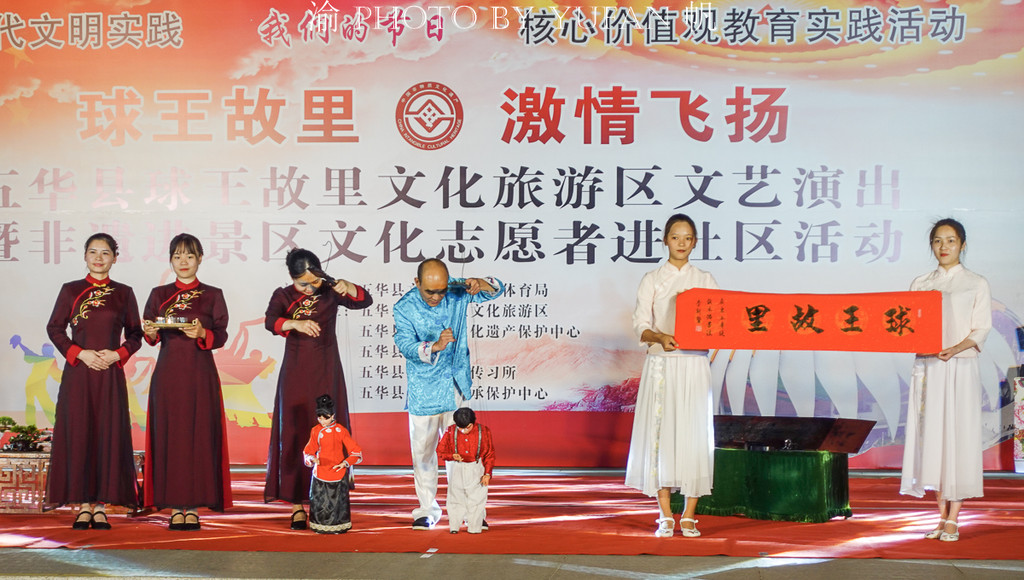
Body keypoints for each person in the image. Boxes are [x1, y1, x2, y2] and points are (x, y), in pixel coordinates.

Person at [264, 248, 372, 530]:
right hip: (295, 373)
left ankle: (328, 500)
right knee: (297, 431)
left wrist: (349, 287)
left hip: (326, 369)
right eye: (303, 284)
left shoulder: (329, 291)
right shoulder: (283, 295)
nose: (310, 288)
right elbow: (270, 321)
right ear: (292, 278)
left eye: (314, 281)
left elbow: (364, 300)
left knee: (330, 433)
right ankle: (297, 505)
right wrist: (294, 323)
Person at [393, 258, 504, 530]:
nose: (436, 296)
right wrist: (435, 346)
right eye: (430, 291)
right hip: (424, 391)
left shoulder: (456, 291)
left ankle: (468, 511)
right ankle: (426, 510)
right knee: (423, 454)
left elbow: (496, 290)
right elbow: (405, 345)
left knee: (463, 453)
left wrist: (481, 283)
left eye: (441, 290)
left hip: (456, 386)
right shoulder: (404, 307)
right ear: (417, 282)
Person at [624, 213, 717, 538]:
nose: (681, 243)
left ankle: (689, 514)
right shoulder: (652, 278)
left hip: (694, 365)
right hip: (662, 364)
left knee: (694, 435)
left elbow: (718, 322)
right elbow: (640, 324)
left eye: (687, 237)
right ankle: (664, 513)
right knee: (660, 434)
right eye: (675, 237)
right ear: (665, 240)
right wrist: (659, 337)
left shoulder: (705, 279)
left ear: (695, 242)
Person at [901, 218, 991, 542]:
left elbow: (981, 328)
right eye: (938, 241)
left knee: (958, 437)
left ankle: (954, 517)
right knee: (933, 438)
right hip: (929, 367)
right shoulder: (921, 283)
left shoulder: (975, 283)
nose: (944, 247)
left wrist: (954, 348)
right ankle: (941, 516)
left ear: (962, 245)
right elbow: (907, 324)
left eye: (951, 240)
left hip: (960, 366)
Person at [44, 233, 143, 529]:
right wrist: (80, 353)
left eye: (105, 253)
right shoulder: (70, 290)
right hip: (79, 374)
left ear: (115, 257)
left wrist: (117, 354)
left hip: (110, 375)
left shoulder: (124, 293)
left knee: (108, 434)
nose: (99, 258)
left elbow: (136, 334)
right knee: (79, 433)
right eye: (93, 252)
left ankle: (101, 505)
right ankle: (83, 505)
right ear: (85, 256)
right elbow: (55, 328)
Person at [141, 233, 231, 531]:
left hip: (200, 374)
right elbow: (150, 334)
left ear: (200, 259)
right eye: (177, 256)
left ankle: (192, 507)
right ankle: (172, 505)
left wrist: (203, 334)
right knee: (171, 436)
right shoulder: (159, 294)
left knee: (199, 435)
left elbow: (221, 334)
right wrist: (150, 332)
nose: (183, 261)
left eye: (189, 256)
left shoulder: (213, 294)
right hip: (168, 374)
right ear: (170, 260)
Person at [302, 394, 363, 534]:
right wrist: (312, 458)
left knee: (337, 502)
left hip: (337, 471)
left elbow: (355, 451)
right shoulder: (315, 430)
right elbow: (308, 450)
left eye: (326, 418)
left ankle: (338, 526)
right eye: (320, 418)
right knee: (320, 501)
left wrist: (345, 463)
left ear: (333, 416)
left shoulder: (341, 430)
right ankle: (319, 525)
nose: (322, 421)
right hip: (320, 471)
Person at [436, 407, 495, 534]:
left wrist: (487, 474)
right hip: (458, 466)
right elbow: (440, 451)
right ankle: (454, 526)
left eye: (467, 428)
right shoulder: (450, 431)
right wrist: (451, 456)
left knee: (477, 499)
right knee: (455, 497)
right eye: (460, 428)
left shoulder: (483, 431)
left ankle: (474, 527)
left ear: (473, 423)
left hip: (476, 466)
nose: (463, 431)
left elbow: (489, 454)